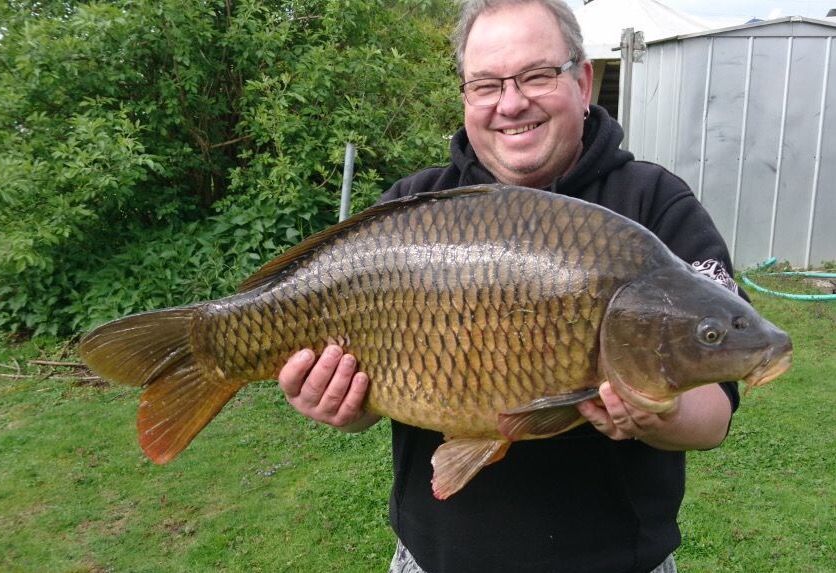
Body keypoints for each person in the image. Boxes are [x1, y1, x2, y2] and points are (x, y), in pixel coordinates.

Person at [277, 1, 742, 572]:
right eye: (487, 84)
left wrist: (662, 415)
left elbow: (717, 402)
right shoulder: (410, 208)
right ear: (467, 97)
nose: (511, 102)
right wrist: (345, 404)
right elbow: (372, 397)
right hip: (437, 559)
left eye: (536, 75)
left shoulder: (655, 206)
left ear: (583, 79)